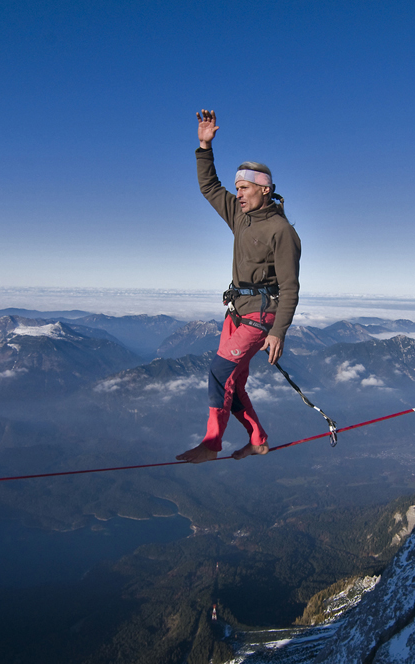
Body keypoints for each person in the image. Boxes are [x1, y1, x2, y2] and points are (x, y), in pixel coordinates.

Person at [176, 110, 302, 463]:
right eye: (238, 189)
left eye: (244, 188)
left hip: (261, 317)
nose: (239, 194)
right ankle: (258, 439)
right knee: (233, 384)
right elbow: (209, 187)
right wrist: (204, 146)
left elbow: (290, 287)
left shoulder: (282, 232)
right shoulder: (239, 215)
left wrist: (278, 332)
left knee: (219, 372)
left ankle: (211, 445)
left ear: (265, 189)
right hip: (237, 312)